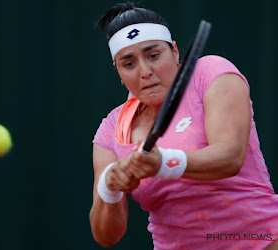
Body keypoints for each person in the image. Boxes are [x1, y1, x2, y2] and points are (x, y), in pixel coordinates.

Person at [89, 2, 278, 249]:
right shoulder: (110, 131)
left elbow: (230, 156)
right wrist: (109, 188)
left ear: (175, 52)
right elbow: (106, 236)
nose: (145, 71)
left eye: (153, 55)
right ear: (119, 72)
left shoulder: (210, 73)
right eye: (129, 64)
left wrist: (162, 163)